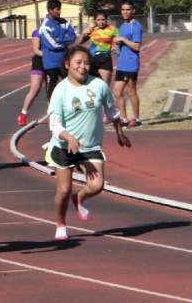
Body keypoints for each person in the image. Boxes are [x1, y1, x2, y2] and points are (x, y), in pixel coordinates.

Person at [45, 45, 131, 241]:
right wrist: (69, 137)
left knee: (97, 184)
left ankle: (79, 198)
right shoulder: (61, 90)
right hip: (63, 146)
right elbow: (54, 124)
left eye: (86, 63)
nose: (83, 67)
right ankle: (60, 223)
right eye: (78, 63)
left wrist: (120, 134)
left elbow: (112, 112)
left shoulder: (99, 86)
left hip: (90, 147)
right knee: (64, 190)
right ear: (67, 65)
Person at [112, 1, 143, 127]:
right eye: (123, 9)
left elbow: (137, 46)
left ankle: (137, 118)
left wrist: (123, 39)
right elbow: (122, 45)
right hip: (121, 64)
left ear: (133, 11)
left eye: (128, 9)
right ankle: (123, 118)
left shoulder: (135, 26)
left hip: (131, 64)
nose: (125, 12)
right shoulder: (122, 26)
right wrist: (116, 47)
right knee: (117, 92)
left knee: (131, 92)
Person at [39, 0, 76, 101]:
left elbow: (73, 37)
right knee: (52, 87)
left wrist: (60, 39)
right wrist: (65, 42)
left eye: (60, 9)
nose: (59, 11)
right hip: (50, 63)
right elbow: (53, 45)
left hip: (64, 61)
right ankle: (53, 112)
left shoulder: (64, 22)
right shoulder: (45, 27)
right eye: (57, 9)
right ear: (50, 10)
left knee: (70, 84)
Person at [77, 10, 119, 85]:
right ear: (95, 20)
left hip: (105, 58)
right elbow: (79, 42)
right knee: (90, 85)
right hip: (92, 59)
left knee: (104, 85)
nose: (101, 22)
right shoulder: (91, 30)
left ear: (106, 19)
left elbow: (117, 41)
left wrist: (115, 45)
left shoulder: (113, 29)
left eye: (103, 19)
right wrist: (83, 34)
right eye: (98, 20)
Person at [17, 27, 45, 126]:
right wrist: (49, 55)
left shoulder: (57, 31)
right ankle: (23, 114)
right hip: (40, 61)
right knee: (35, 89)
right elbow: (36, 50)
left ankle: (54, 117)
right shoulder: (38, 32)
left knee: (52, 90)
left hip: (53, 62)